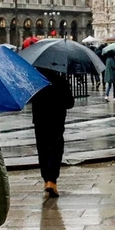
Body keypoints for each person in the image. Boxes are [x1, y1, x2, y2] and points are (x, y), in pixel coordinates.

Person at [31, 69, 72, 197]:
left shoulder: (36, 81)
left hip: (40, 121)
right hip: (57, 121)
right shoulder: (61, 81)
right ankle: (52, 180)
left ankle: (46, 179)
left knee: (42, 150)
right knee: (56, 149)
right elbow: (69, 103)